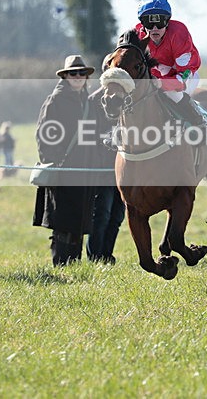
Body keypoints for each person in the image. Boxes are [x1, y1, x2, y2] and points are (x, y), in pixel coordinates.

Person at [32, 55, 97, 264]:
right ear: (65, 76)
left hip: (84, 170)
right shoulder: (55, 100)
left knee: (79, 222)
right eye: (73, 73)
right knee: (62, 223)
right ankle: (61, 265)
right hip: (63, 171)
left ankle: (75, 265)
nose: (78, 76)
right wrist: (56, 163)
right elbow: (44, 135)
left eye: (82, 73)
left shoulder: (87, 101)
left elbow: (91, 135)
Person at [134, 0, 205, 126]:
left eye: (160, 22)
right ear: (142, 24)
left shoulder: (178, 33)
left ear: (167, 22)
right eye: (149, 23)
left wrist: (160, 83)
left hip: (185, 74)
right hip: (156, 74)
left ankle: (199, 122)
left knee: (172, 93)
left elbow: (182, 78)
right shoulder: (137, 36)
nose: (155, 28)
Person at [86, 57, 125, 263]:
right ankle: (95, 257)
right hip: (103, 169)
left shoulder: (128, 98)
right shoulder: (94, 101)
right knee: (102, 214)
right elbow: (89, 136)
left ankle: (107, 255)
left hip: (123, 168)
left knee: (117, 215)